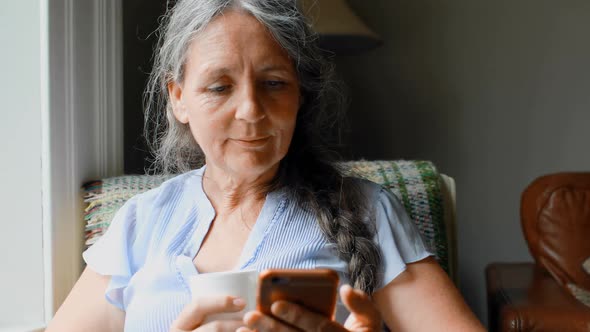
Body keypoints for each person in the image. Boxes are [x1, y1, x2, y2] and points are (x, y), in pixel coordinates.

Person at [47, 0, 485, 331]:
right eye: (219, 87)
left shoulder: (367, 211)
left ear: (300, 96)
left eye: (274, 84)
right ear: (178, 98)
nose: (251, 111)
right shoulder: (140, 223)